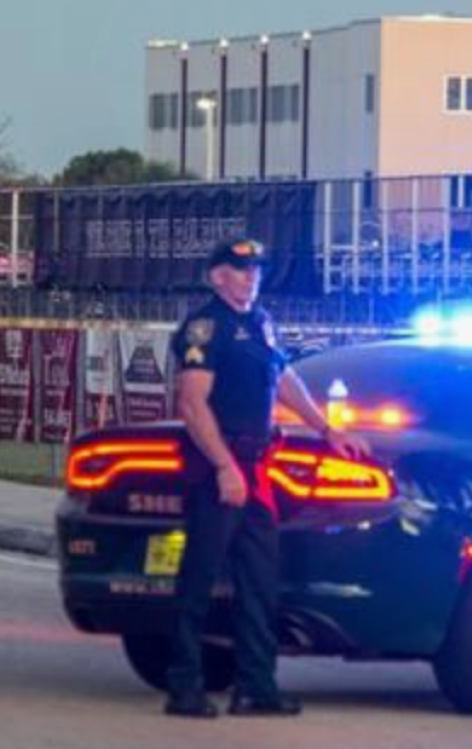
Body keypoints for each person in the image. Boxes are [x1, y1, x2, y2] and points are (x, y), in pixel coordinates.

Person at [164, 238, 369, 719]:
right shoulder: (205, 327)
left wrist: (326, 429)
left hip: (255, 468)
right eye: (239, 269)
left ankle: (256, 685)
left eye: (255, 267)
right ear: (217, 276)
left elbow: (284, 380)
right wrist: (223, 467)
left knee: (260, 581)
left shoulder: (260, 323)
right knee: (199, 578)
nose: (251, 276)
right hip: (220, 467)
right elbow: (192, 404)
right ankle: (184, 686)